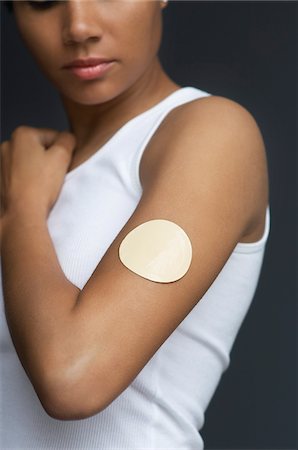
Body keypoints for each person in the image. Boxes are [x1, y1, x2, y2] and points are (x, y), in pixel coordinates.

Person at [0, 1, 270, 448]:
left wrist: (21, 213)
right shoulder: (28, 174)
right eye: (44, 0)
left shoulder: (211, 133)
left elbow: (73, 378)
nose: (79, 27)